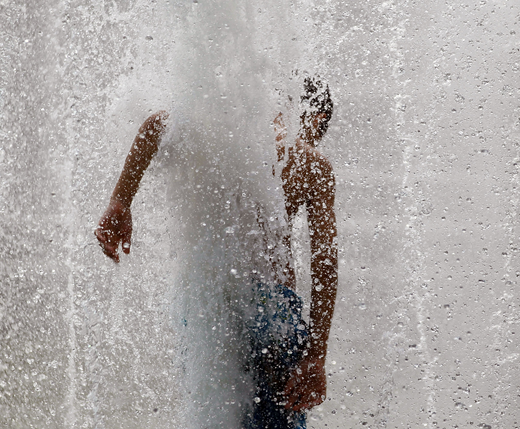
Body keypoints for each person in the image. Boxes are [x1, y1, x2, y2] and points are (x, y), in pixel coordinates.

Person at [95, 77, 338, 429]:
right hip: (270, 308)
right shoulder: (311, 162)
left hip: (203, 302)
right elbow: (325, 266)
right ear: (313, 116)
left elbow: (157, 126)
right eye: (319, 131)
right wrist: (315, 357)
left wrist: (120, 201)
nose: (315, 140)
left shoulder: (223, 130)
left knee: (213, 412)